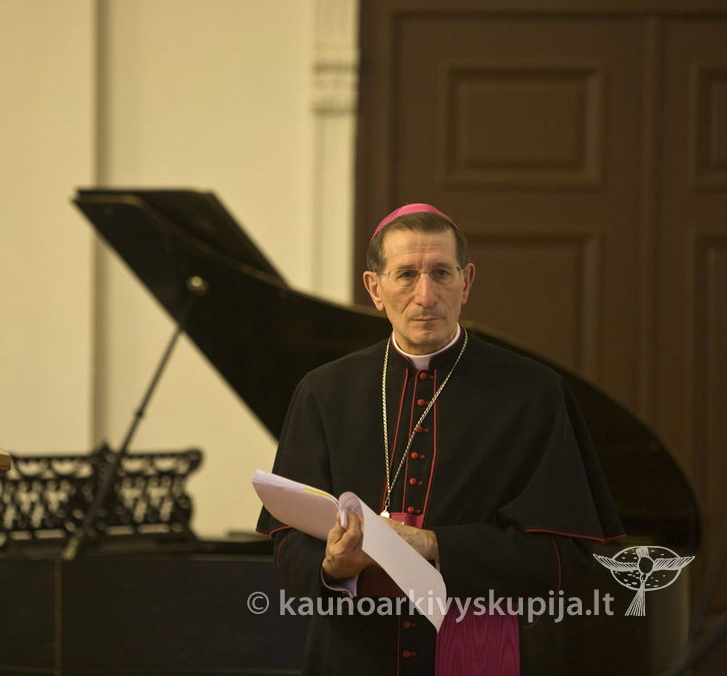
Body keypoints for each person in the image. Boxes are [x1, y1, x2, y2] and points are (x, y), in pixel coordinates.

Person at [256, 203, 624, 675]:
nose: (425, 295)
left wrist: (430, 543)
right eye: (406, 275)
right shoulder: (324, 391)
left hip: (477, 645)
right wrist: (333, 568)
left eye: (441, 273)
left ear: (466, 282)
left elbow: (563, 555)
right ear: (375, 288)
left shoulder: (532, 393)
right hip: (352, 655)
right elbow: (288, 540)